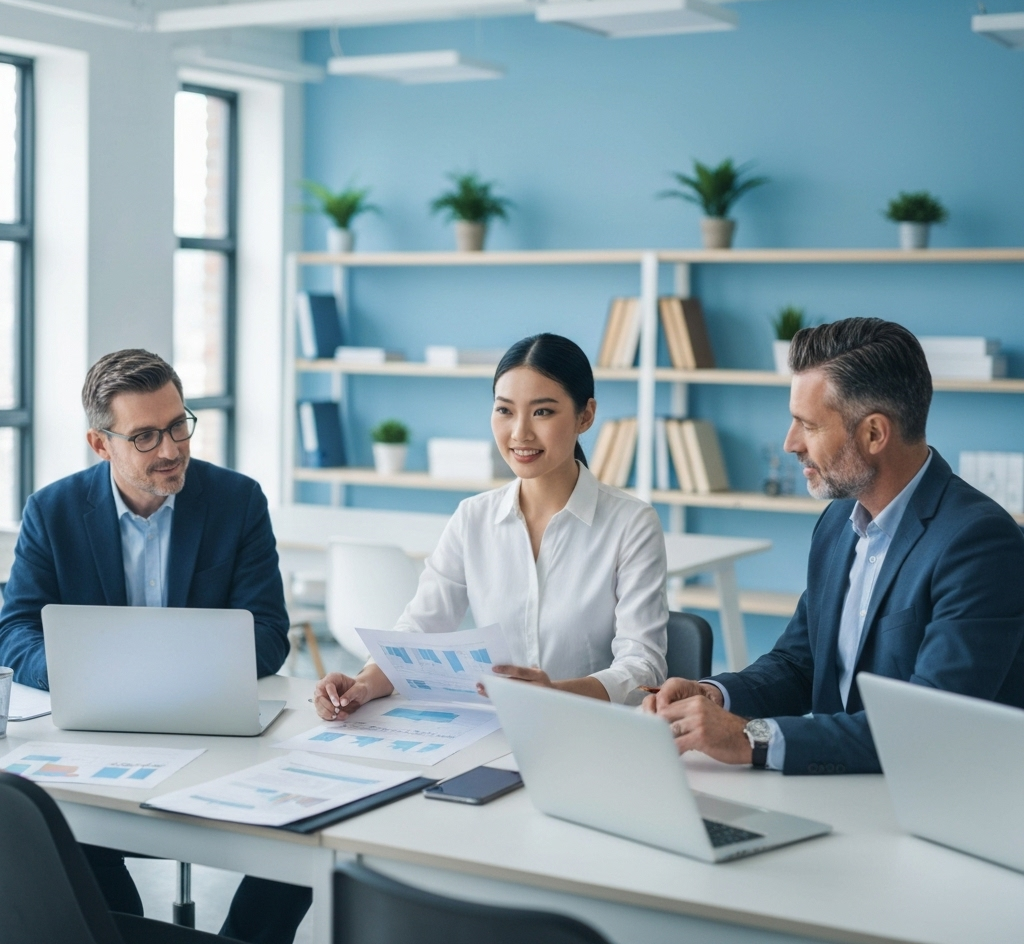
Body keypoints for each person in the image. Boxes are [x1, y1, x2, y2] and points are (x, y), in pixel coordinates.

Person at [0, 349, 310, 944]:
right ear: (100, 443)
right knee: (64, 834)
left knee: (309, 828)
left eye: (177, 425)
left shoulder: (236, 500)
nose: (170, 449)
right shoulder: (53, 510)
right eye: (144, 436)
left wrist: (169, 673)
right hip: (96, 734)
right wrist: (92, 674)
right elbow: (15, 631)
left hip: (217, 729)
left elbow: (269, 633)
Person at [643, 318, 1024, 775]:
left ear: (874, 434)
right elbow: (800, 663)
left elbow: (927, 729)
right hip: (837, 787)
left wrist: (749, 737)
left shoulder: (979, 544)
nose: (790, 443)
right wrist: (716, 696)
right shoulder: (839, 521)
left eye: (808, 425)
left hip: (937, 800)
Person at [313, 332, 668, 720]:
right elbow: (419, 631)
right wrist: (364, 683)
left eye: (543, 412)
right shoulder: (473, 518)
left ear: (586, 415)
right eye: (505, 410)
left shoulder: (631, 524)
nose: (520, 433)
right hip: (496, 731)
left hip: (592, 731)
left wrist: (555, 694)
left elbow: (643, 668)